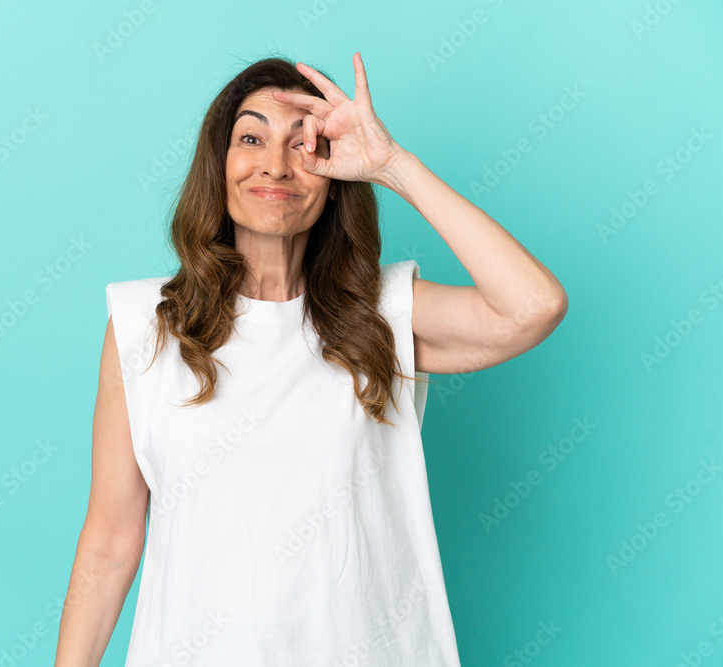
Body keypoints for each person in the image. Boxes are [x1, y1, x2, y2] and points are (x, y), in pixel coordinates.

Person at [54, 52, 567, 666]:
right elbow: (110, 541)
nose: (275, 165)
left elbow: (533, 306)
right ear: (216, 165)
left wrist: (393, 165)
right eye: (251, 138)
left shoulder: (380, 315)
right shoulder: (144, 323)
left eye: (304, 144)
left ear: (333, 174)